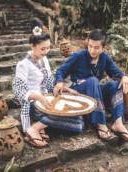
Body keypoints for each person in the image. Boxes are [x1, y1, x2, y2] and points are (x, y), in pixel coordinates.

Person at [12, 18, 84, 148]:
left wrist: (66, 89)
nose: (46, 52)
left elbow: (50, 82)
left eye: (48, 48)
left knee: (79, 123)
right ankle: (34, 129)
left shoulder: (44, 60)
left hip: (47, 100)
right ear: (32, 46)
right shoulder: (23, 65)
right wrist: (38, 97)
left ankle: (40, 125)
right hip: (33, 105)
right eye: (42, 49)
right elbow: (18, 90)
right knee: (65, 116)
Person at [54, 29, 128, 142]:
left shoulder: (105, 58)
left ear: (103, 48)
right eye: (90, 46)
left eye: (96, 47)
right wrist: (60, 81)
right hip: (78, 93)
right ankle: (100, 123)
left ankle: (118, 123)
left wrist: (124, 76)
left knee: (115, 85)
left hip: (94, 92)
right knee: (93, 81)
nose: (92, 50)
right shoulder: (78, 56)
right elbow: (61, 70)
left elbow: (116, 73)